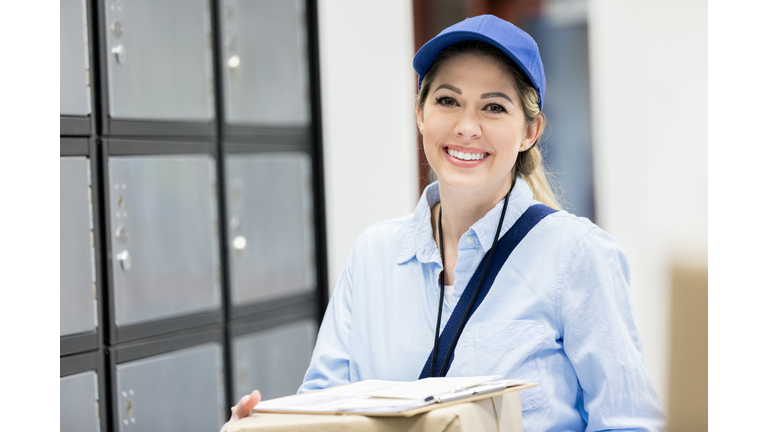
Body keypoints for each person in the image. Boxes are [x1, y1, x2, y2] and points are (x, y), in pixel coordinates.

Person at [228, 14, 665, 431]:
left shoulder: (576, 255)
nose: (467, 127)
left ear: (530, 131)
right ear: (420, 113)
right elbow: (322, 410)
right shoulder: (373, 255)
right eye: (447, 101)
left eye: (493, 107)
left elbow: (627, 423)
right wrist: (263, 427)